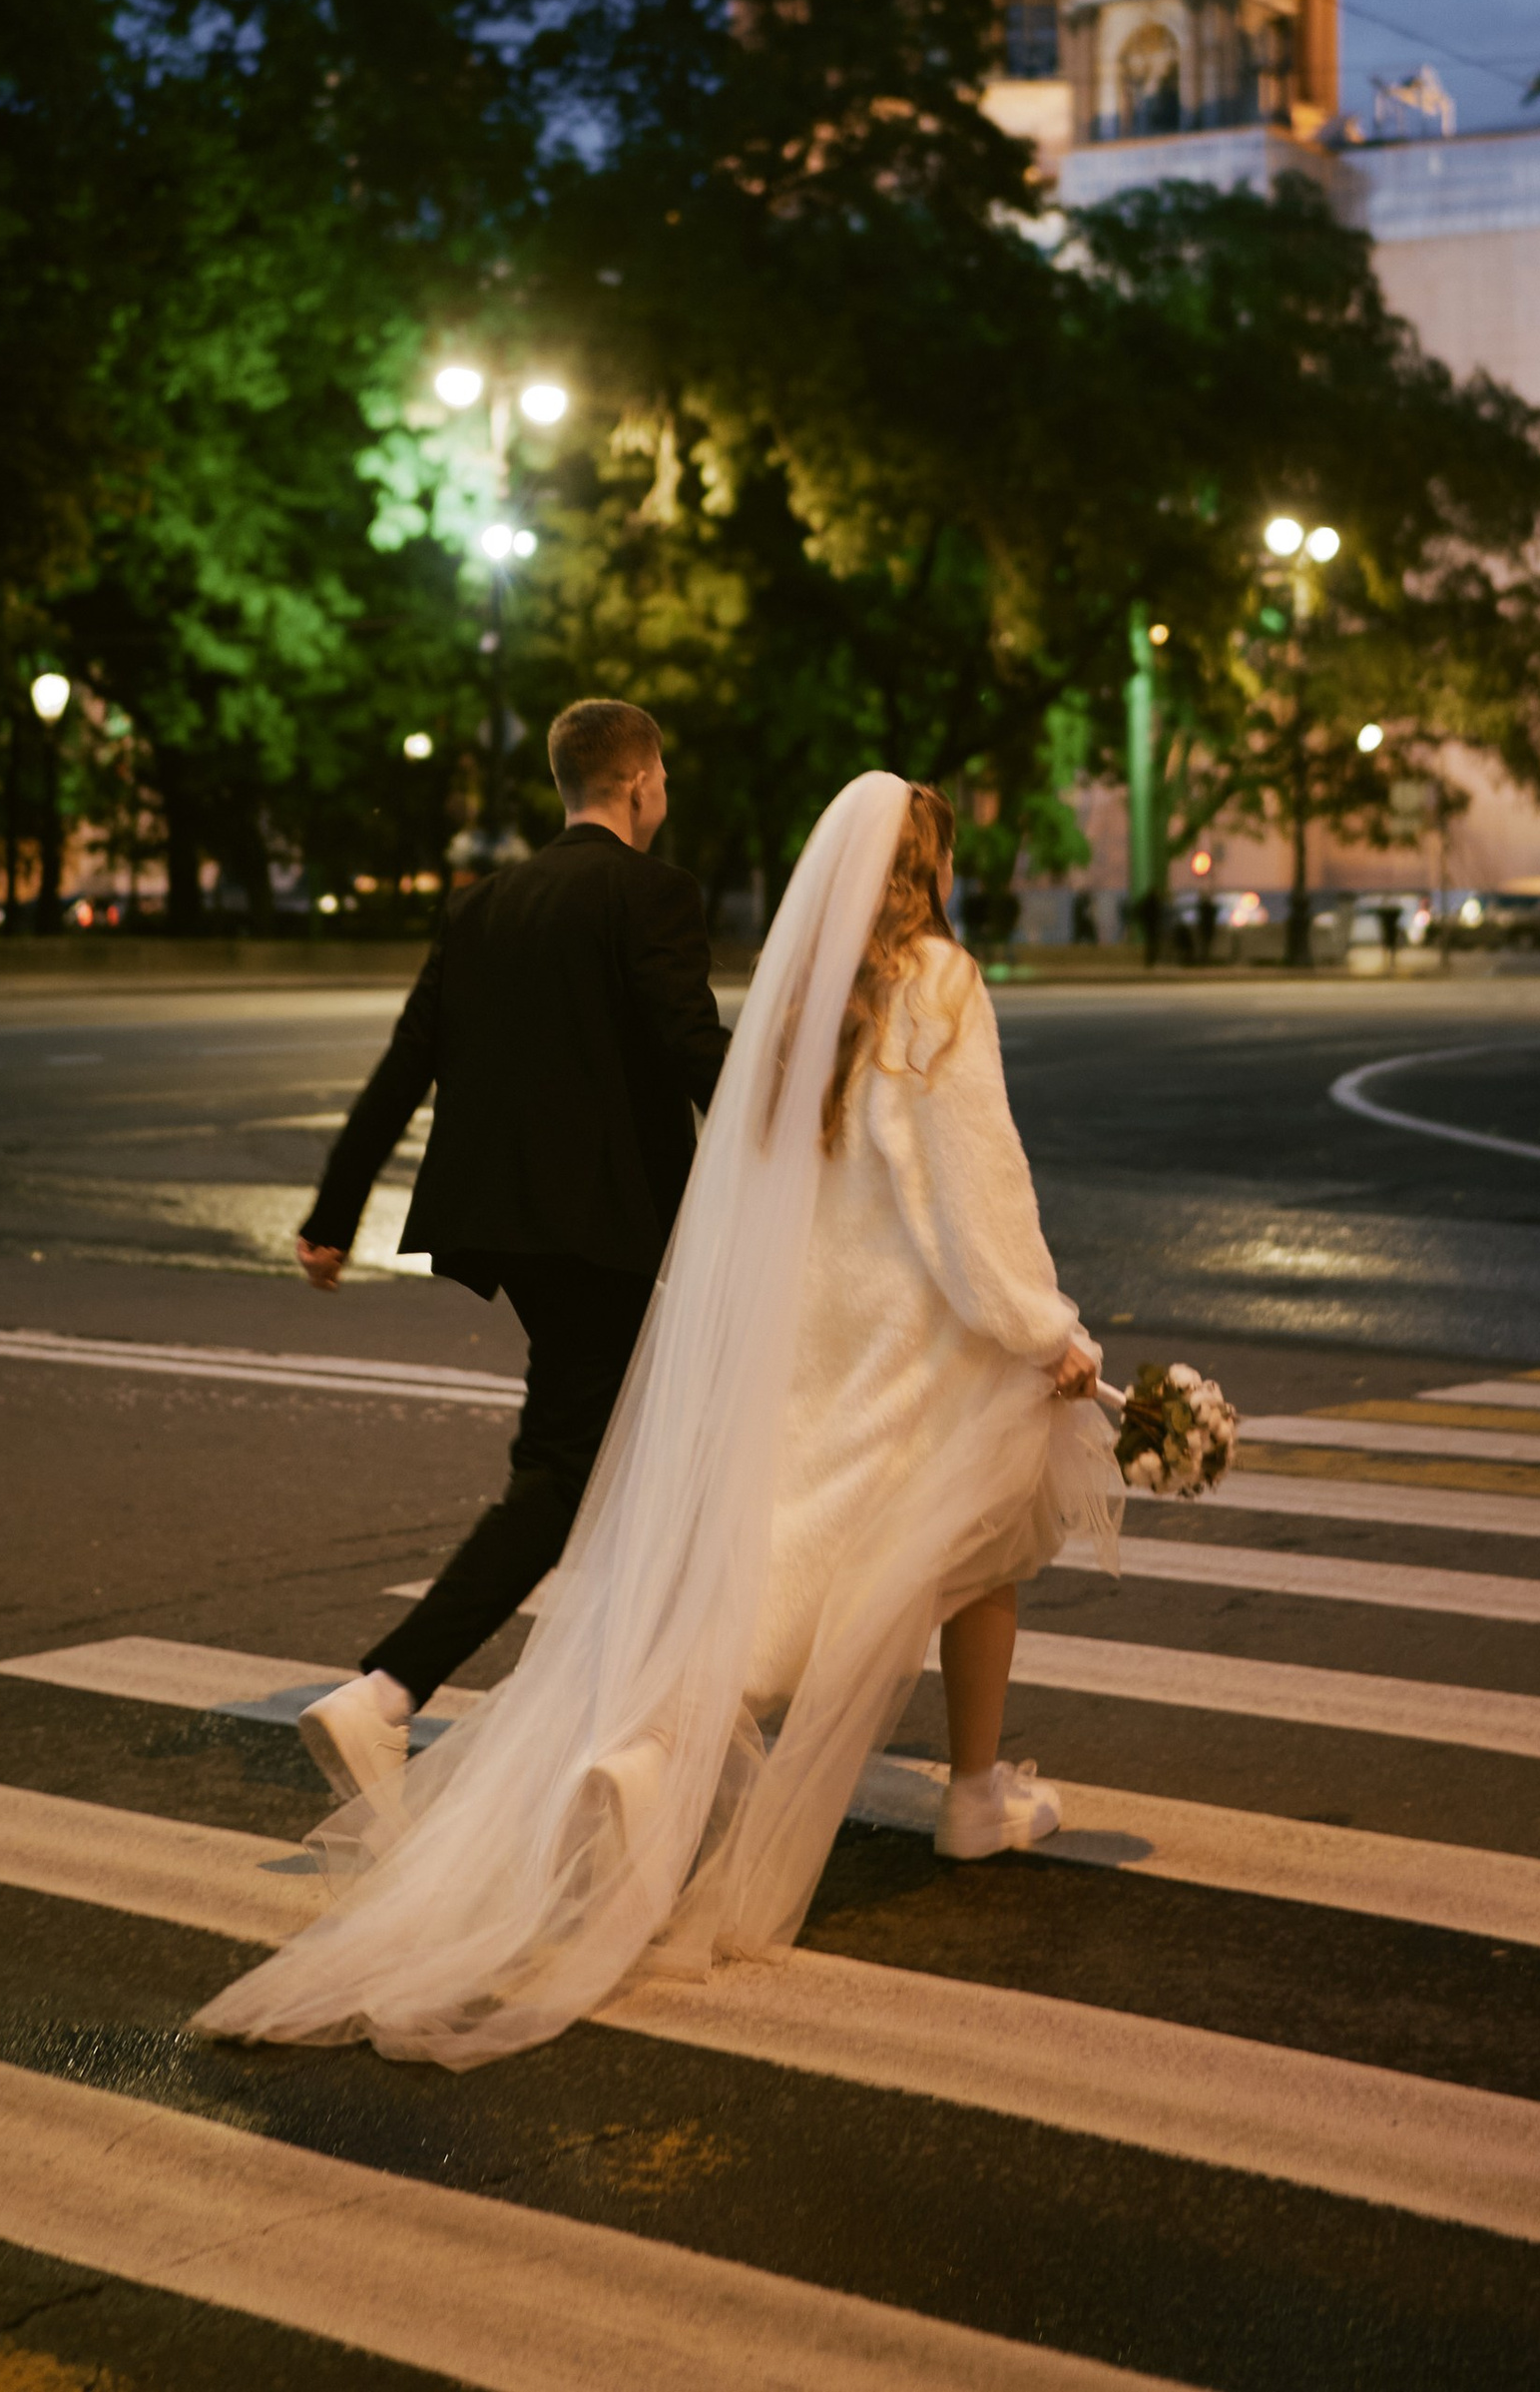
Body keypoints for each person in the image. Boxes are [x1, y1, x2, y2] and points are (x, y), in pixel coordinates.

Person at [198, 770, 1116, 2069]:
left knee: (811, 1544)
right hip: (913, 1325)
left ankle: (672, 1742)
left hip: (807, 1322)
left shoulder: (802, 1001)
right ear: (932, 869)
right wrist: (1045, 1328)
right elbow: (969, 1186)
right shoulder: (940, 984)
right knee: (964, 1533)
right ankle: (938, 1790)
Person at [284, 696, 731, 1808]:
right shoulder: (653, 893)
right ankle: (391, 1689)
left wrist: (332, 1212)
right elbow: (691, 1049)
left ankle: (614, 1714)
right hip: (609, 1232)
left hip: (510, 1229)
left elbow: (406, 1064)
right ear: (636, 784)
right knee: (571, 1468)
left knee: (615, 1462)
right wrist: (802, 1138)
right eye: (662, 776)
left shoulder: (484, 906)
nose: (664, 793)